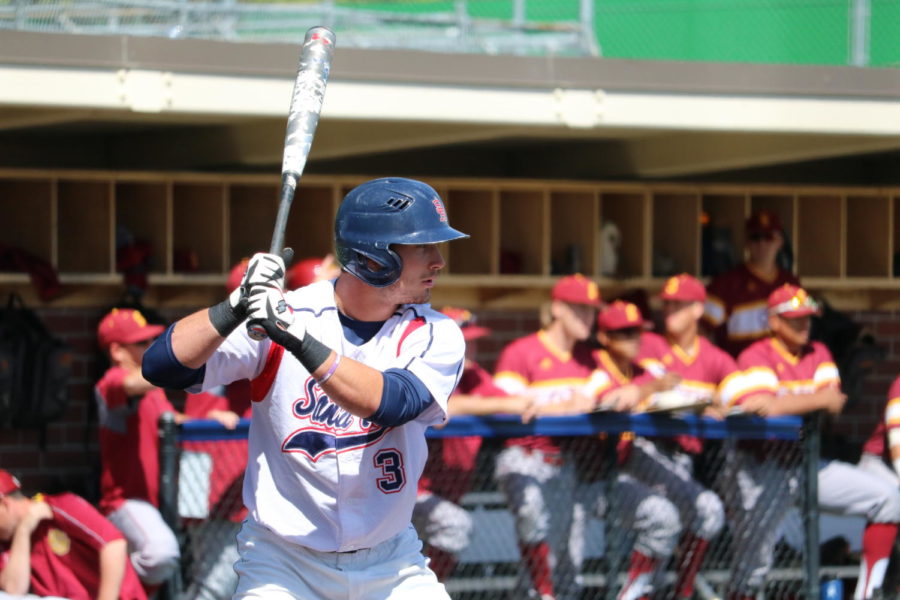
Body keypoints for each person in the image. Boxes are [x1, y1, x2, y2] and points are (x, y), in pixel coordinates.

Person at [142, 177, 470, 599]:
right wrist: (235, 306)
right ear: (374, 257)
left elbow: (391, 402)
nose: (438, 261)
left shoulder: (436, 332)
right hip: (284, 563)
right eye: (422, 247)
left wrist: (297, 338)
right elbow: (162, 366)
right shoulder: (289, 311)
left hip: (392, 562)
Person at [733, 284, 900, 600]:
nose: (803, 325)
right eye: (794, 319)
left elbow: (835, 402)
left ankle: (867, 594)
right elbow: (765, 407)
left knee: (888, 498)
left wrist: (794, 401)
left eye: (807, 318)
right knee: (755, 563)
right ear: (774, 321)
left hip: (807, 465)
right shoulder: (756, 354)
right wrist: (815, 399)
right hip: (760, 467)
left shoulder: (818, 352)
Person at [628, 274, 755, 600]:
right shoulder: (649, 343)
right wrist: (701, 404)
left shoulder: (714, 357)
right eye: (667, 303)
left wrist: (720, 405)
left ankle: (676, 591)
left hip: (685, 460)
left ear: (698, 309)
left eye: (679, 304)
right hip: (643, 450)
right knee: (701, 511)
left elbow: (745, 399)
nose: (669, 308)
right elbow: (651, 396)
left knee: (690, 520)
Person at [95, 308, 236, 593]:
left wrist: (207, 419)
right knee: (161, 554)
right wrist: (173, 365)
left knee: (167, 562)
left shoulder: (153, 391)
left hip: (154, 501)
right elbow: (131, 383)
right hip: (124, 500)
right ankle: (103, 580)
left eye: (150, 342)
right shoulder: (111, 380)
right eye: (141, 344)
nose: (149, 347)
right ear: (117, 351)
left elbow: (174, 421)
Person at [491, 274, 604, 600]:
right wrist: (567, 406)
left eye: (592, 311)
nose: (588, 318)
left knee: (564, 565)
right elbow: (508, 410)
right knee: (533, 518)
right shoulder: (521, 351)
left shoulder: (591, 360)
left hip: (567, 466)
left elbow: (608, 396)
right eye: (579, 309)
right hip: (524, 459)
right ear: (557, 308)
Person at [412, 307, 533, 582]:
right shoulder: (425, 368)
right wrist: (500, 404)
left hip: (445, 492)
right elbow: (443, 406)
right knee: (456, 526)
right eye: (464, 340)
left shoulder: (474, 376)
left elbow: (517, 402)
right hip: (405, 492)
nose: (471, 348)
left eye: (474, 340)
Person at [591, 301, 682, 600]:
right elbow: (616, 399)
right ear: (604, 336)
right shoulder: (594, 364)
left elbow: (675, 390)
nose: (633, 339)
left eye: (637, 332)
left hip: (616, 471)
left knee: (671, 515)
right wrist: (651, 389)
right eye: (623, 333)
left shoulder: (641, 371)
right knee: (556, 571)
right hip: (582, 477)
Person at [0, 468, 147, 600]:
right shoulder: (9, 541)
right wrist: (23, 531)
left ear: (5, 504)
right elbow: (14, 591)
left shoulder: (60, 506)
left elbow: (114, 545)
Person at [704, 209, 801, 357]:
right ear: (747, 242)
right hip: (739, 372)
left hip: (782, 372)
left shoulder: (790, 283)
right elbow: (701, 332)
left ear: (780, 242)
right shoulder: (726, 284)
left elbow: (801, 328)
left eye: (768, 237)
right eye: (755, 237)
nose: (762, 244)